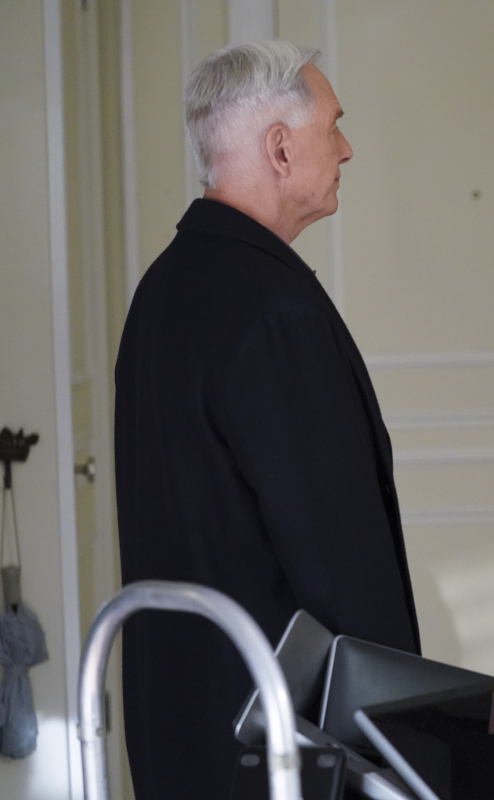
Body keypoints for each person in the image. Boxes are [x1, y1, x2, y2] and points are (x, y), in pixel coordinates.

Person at [113, 41, 419, 799]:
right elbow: (340, 557)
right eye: (334, 126)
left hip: (184, 721)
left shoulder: (163, 289)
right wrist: (406, 735)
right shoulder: (272, 308)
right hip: (280, 742)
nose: (346, 149)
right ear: (280, 149)